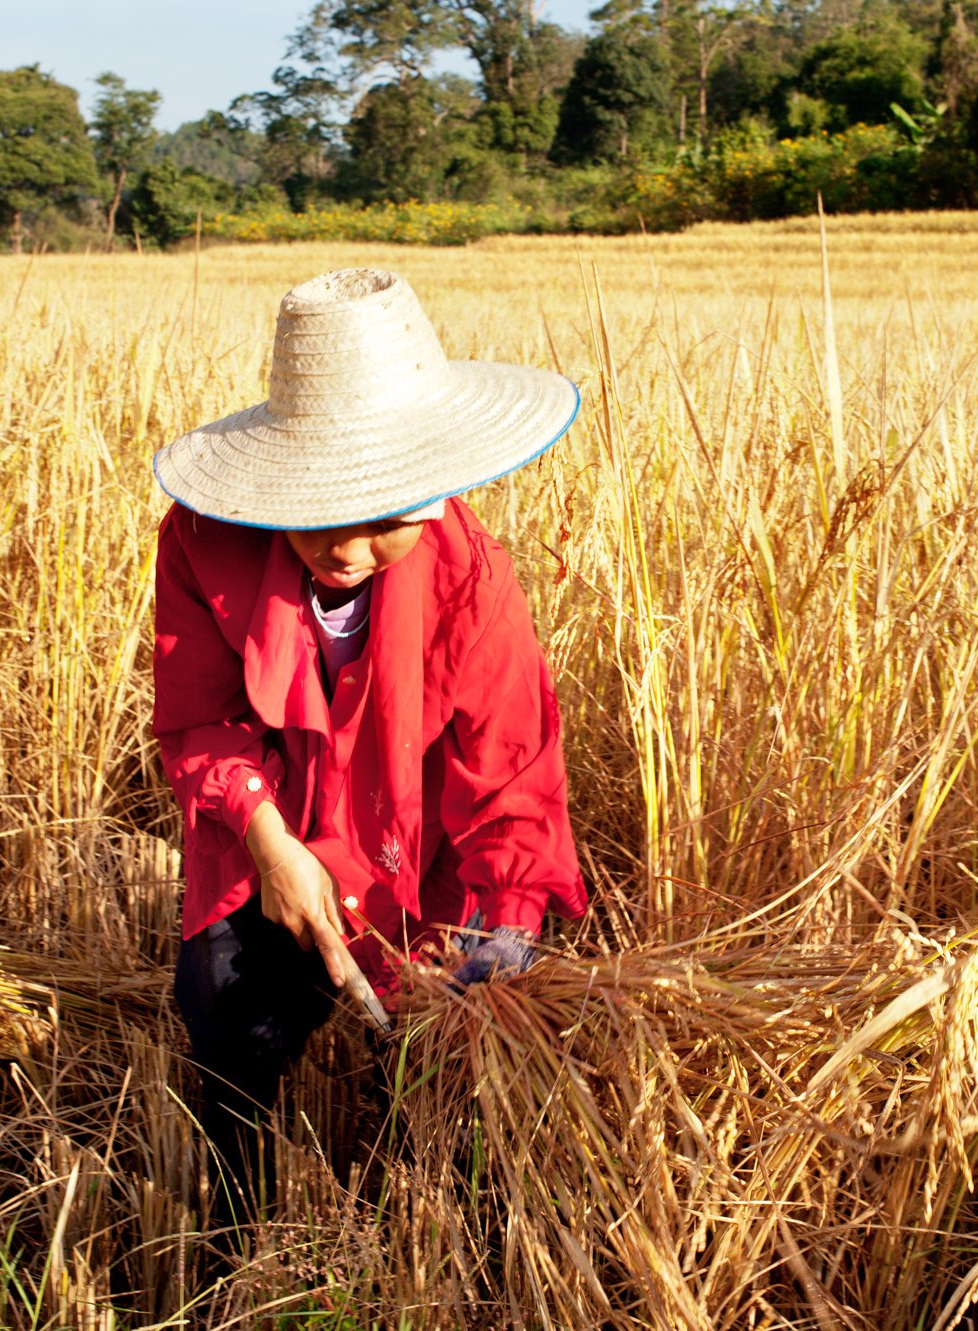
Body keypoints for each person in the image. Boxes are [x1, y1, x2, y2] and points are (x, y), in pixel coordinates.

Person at [149, 268, 588, 1186]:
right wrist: (272, 848)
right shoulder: (204, 542)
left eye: (379, 518)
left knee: (434, 1067)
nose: (342, 547)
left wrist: (504, 933)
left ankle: (406, 1210)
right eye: (313, 513)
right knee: (227, 1014)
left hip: (414, 849)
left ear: (429, 493)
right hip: (270, 831)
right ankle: (235, 1214)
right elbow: (201, 726)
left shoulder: (469, 576)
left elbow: (510, 776)